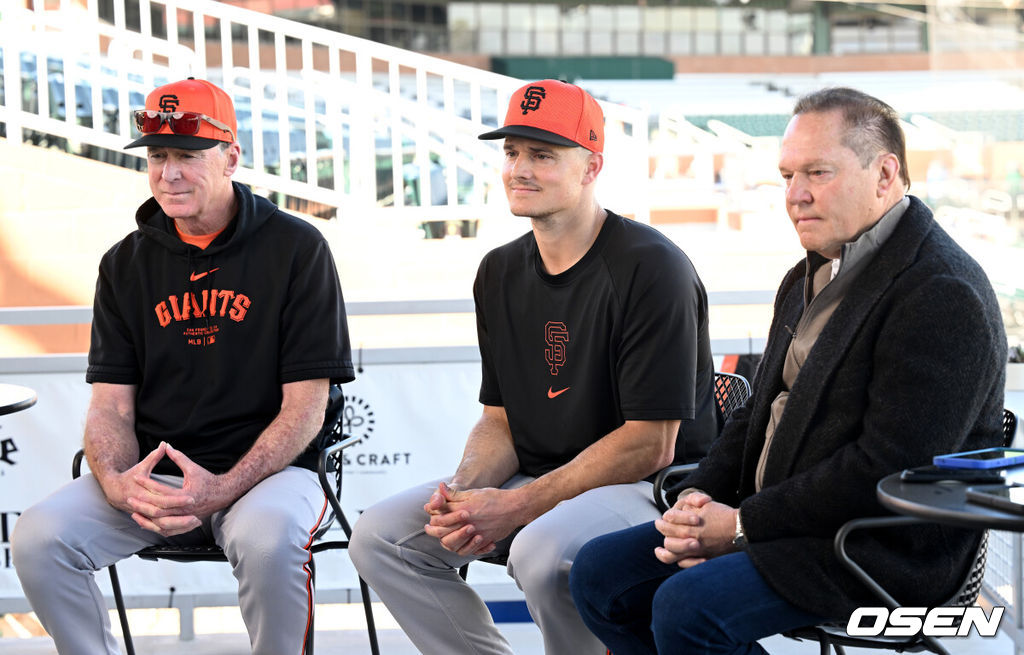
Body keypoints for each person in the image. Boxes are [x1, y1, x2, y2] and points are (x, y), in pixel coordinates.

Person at [568, 86, 1007, 655]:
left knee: (688, 607)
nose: (796, 196)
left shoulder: (941, 293)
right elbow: (757, 412)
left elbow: (886, 470)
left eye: (818, 173)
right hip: (783, 523)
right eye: (787, 176)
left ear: (885, 174)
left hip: (878, 547)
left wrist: (743, 524)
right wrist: (696, 500)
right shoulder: (812, 274)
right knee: (600, 576)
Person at [349, 79, 718, 654]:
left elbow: (652, 445)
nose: (520, 168)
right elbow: (500, 419)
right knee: (380, 538)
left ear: (591, 167)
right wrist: (465, 495)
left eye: (542, 155)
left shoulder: (653, 267)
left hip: (650, 488)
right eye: (512, 152)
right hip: (542, 477)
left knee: (539, 551)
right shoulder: (498, 270)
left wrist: (517, 505)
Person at [12, 78, 354, 655]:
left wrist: (220, 489)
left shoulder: (296, 248)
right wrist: (121, 486)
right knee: (39, 537)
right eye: (157, 156)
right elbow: (111, 405)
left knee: (270, 543)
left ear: (231, 158)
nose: (169, 173)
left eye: (188, 156)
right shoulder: (125, 262)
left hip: (270, 477)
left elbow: (306, 407)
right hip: (161, 477)